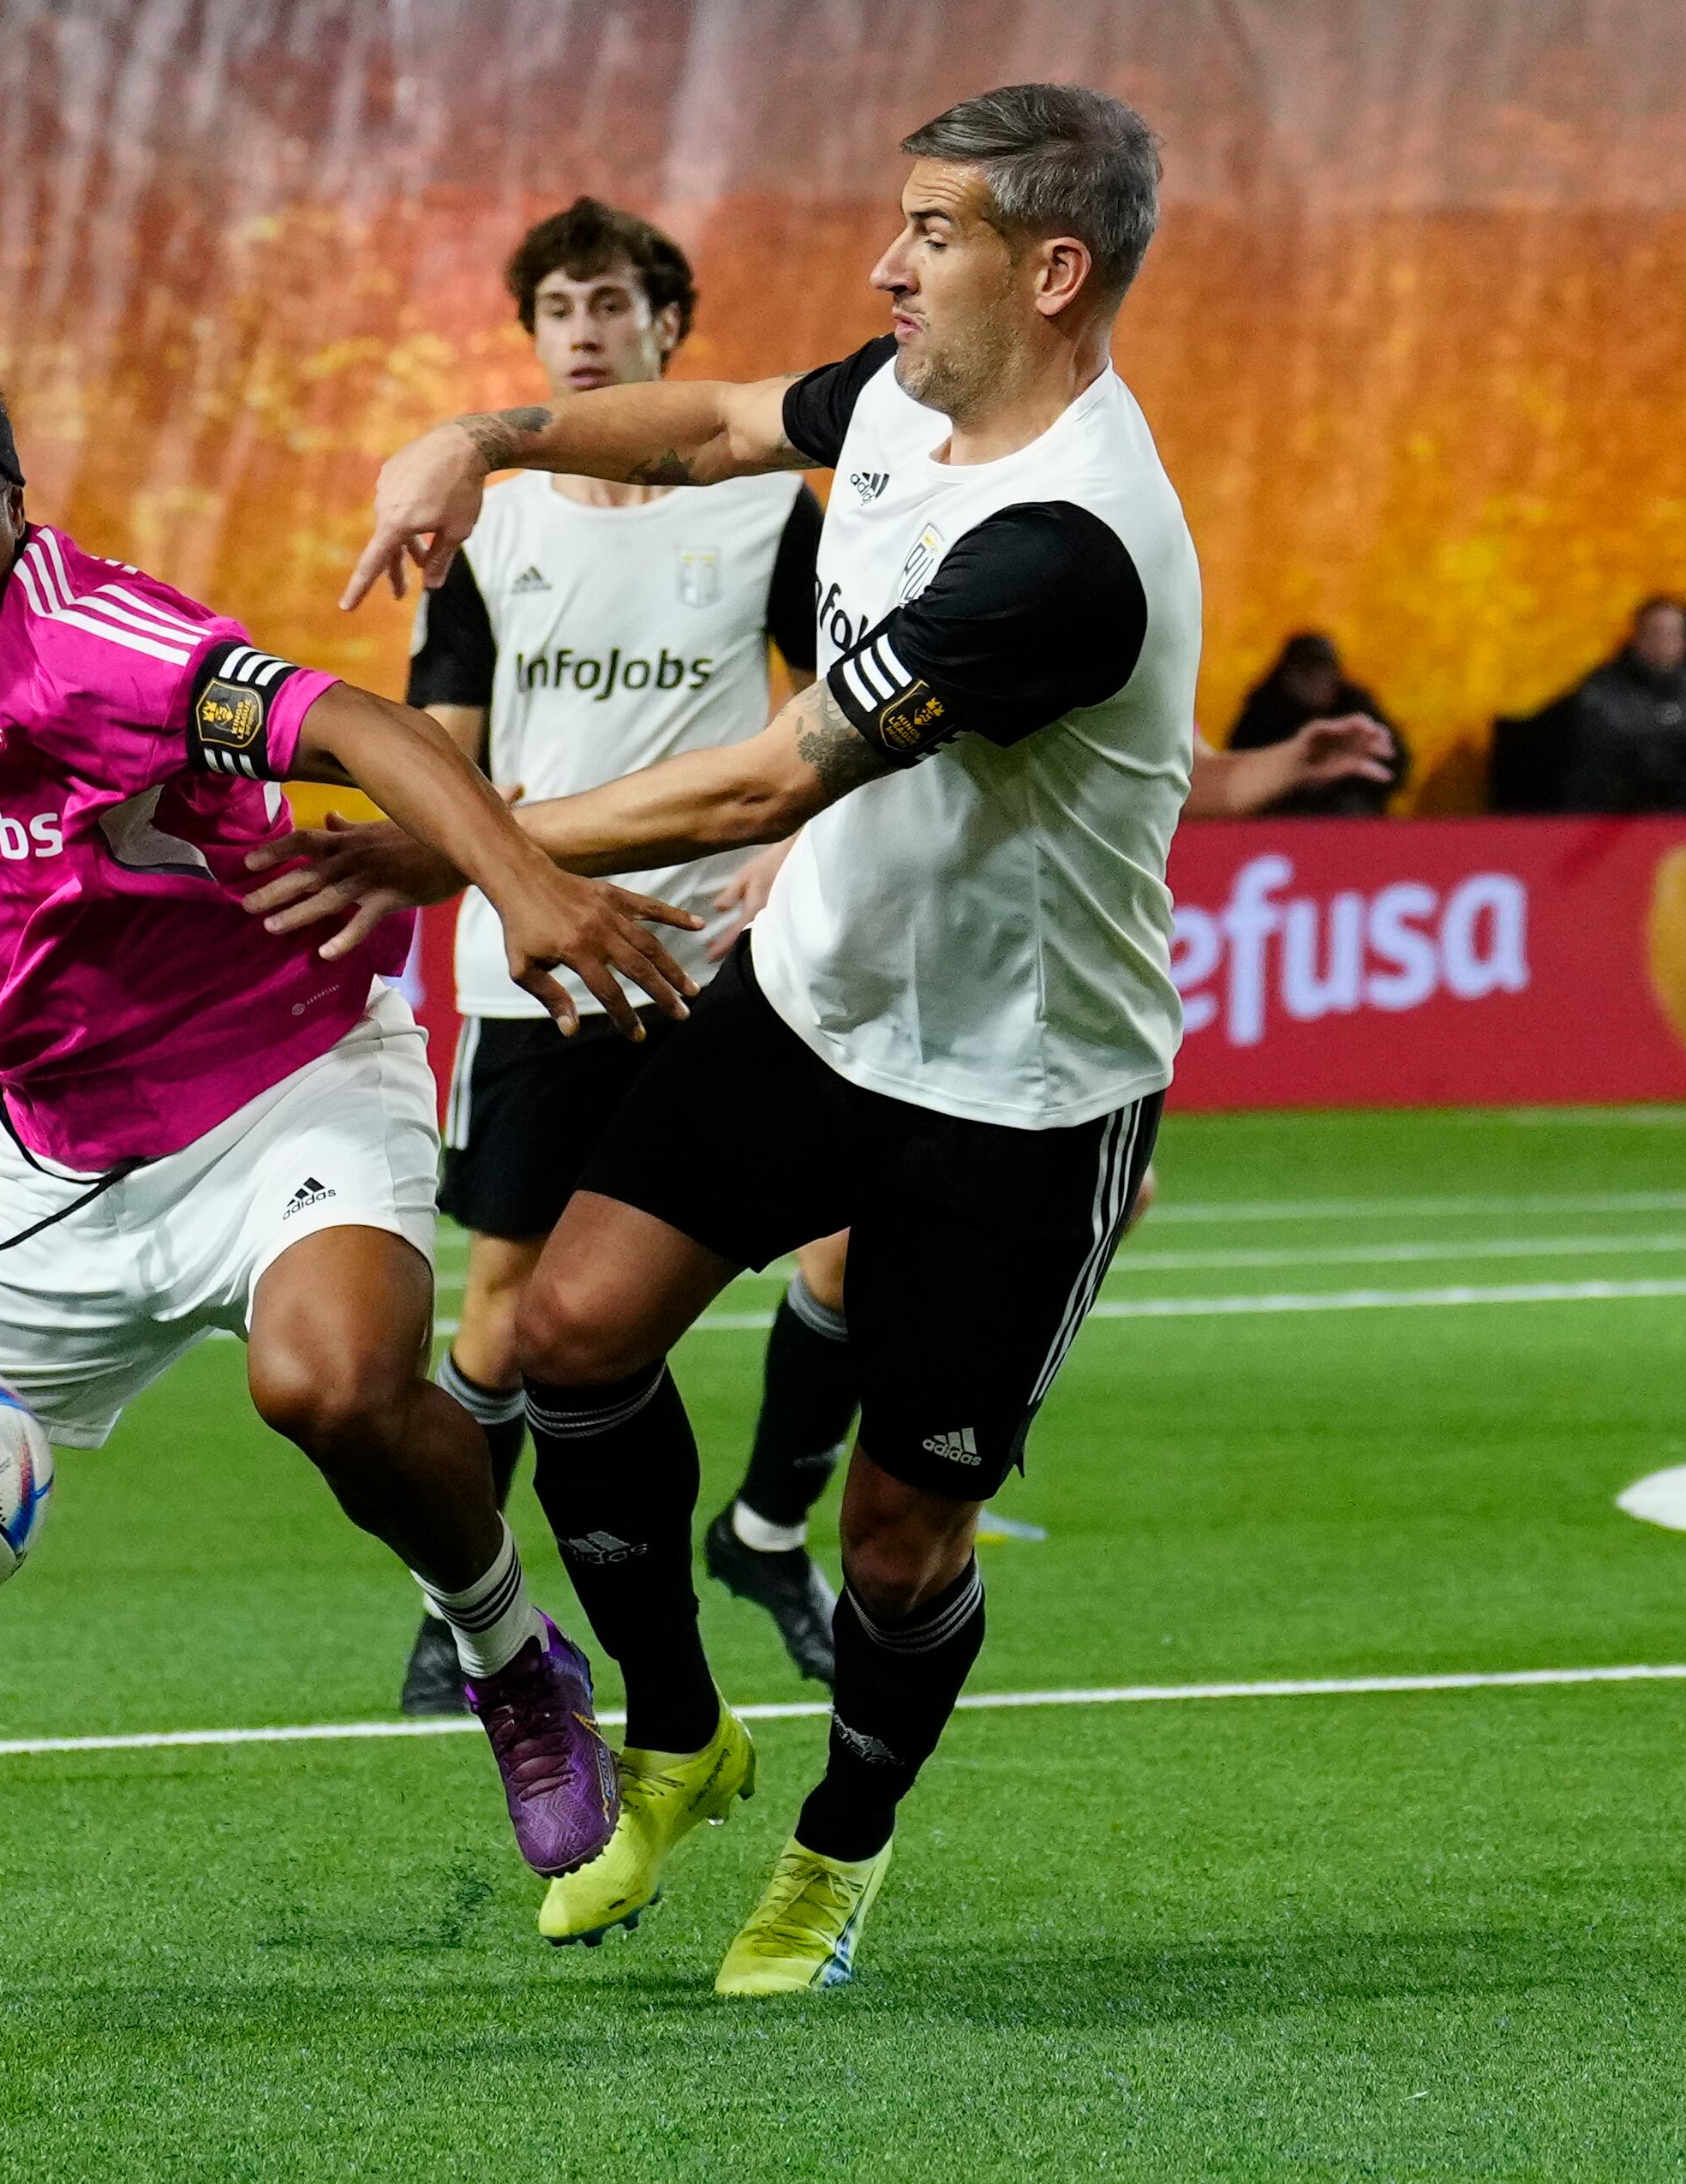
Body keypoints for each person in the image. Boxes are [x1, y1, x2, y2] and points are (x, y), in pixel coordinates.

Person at [0, 340, 697, 2014]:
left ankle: (508, 1654)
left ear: (14, 510)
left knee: (328, 1384)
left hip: (288, 1086)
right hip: (55, 1153)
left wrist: (520, 884)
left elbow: (357, 717)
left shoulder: (102, 646)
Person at [270, 83, 1207, 1996]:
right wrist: (483, 432)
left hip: (1021, 1093)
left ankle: (835, 1858)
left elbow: (763, 779)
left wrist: (442, 846)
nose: (885, 263)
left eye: (929, 232)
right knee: (563, 1330)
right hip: (816, 1004)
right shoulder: (898, 402)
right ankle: (683, 1734)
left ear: (1049, 268)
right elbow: (705, 422)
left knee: (895, 1538)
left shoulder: (1068, 544)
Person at [704, 715, 1392, 1670]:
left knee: (1025, 1216)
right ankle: (787, 1525)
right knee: (841, 1239)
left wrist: (1281, 761)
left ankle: (796, 1522)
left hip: (1020, 969)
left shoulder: (1113, 588)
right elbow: (825, 718)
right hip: (895, 943)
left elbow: (1187, 769)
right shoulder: (923, 578)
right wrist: (789, 840)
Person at [396, 195, 825, 1716]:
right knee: (505, 1310)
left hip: (723, 956)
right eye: (557, 308)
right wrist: (484, 843)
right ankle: (465, 1604)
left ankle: (767, 1525)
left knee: (846, 1236)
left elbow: (851, 698)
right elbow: (438, 744)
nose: (582, 330)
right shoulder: (479, 521)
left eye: (609, 304)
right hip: (539, 964)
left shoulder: (768, 503)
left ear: (666, 330)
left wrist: (795, 839)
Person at [1564, 595, 1686, 812]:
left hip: (1683, 816)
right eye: (1658, 633)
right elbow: (1629, 743)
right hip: (1612, 816)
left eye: (1675, 634)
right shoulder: (1604, 689)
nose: (1667, 643)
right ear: (1638, 639)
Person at [1224, 631, 1401, 816]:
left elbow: (1395, 763)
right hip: (1282, 811)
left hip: (1346, 811)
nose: (1314, 680)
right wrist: (1291, 774)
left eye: (1322, 670)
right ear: (1287, 675)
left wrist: (1343, 779)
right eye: (1305, 671)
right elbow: (1239, 769)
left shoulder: (1356, 706)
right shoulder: (1264, 709)